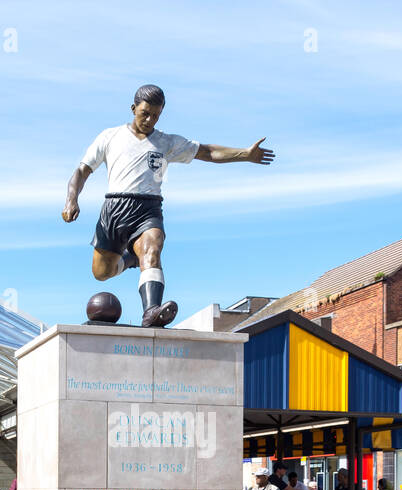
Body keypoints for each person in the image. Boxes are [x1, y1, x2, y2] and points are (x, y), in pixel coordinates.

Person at [62, 84, 275, 328]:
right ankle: (130, 260)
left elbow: (206, 152)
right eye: (145, 113)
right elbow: (82, 170)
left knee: (153, 249)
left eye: (156, 115)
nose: (150, 119)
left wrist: (244, 154)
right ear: (133, 109)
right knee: (101, 273)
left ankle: (151, 311)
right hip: (114, 208)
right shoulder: (110, 136)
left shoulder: (166, 142)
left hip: (148, 209)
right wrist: (71, 199)